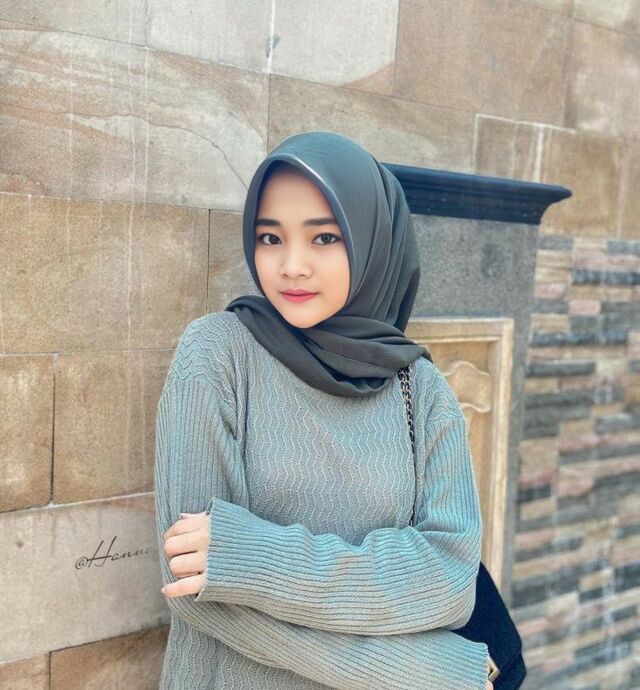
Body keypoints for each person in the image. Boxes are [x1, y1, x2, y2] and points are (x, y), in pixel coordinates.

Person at [154, 131, 494, 689]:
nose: (291, 266)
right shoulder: (217, 354)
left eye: (324, 238)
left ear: (370, 240)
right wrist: (422, 670)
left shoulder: (418, 386)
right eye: (270, 237)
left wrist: (253, 558)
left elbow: (450, 579)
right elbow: (193, 588)